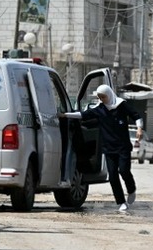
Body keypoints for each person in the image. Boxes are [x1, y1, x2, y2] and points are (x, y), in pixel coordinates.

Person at [61, 84, 144, 212]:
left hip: (122, 147)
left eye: (103, 96)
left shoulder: (121, 105)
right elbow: (83, 115)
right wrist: (66, 115)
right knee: (112, 176)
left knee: (124, 171)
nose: (102, 99)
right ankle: (121, 202)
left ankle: (131, 189)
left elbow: (136, 116)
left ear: (109, 94)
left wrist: (139, 129)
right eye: (100, 97)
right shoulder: (100, 109)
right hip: (109, 148)